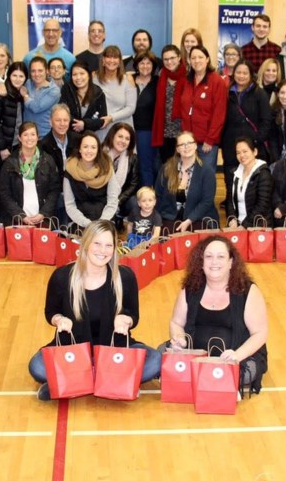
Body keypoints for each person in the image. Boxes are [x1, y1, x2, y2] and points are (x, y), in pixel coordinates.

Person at [29, 219, 161, 401]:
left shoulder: (125, 277)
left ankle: (71, 383)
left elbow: (134, 315)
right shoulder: (62, 277)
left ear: (115, 248)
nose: (103, 251)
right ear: (86, 244)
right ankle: (114, 382)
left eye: (108, 245)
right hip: (72, 351)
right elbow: (50, 312)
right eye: (97, 243)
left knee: (155, 360)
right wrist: (59, 320)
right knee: (37, 366)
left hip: (114, 350)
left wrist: (126, 320)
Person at [168, 235, 268, 395]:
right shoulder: (190, 288)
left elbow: (260, 333)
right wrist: (179, 339)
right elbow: (176, 323)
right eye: (208, 257)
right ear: (201, 262)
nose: (214, 262)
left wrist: (237, 355)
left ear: (231, 262)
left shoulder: (248, 291)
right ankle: (214, 380)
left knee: (247, 372)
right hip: (197, 355)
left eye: (221, 257)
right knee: (162, 353)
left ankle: (202, 378)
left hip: (236, 357)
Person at [222, 60, 273, 196]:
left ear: (251, 74)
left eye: (245, 73)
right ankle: (232, 216)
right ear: (234, 73)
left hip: (253, 147)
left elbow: (266, 120)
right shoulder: (227, 93)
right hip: (231, 147)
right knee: (231, 185)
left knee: (254, 188)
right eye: (238, 72)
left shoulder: (259, 93)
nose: (241, 76)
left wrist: (256, 141)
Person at [173, 46, 227, 170]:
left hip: (206, 143)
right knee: (187, 176)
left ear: (207, 59)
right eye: (193, 58)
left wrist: (210, 139)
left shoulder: (217, 81)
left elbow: (219, 113)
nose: (197, 60)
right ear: (189, 61)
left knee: (205, 178)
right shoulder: (186, 81)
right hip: (188, 142)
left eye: (200, 57)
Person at [0, 122, 62, 226]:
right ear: (19, 138)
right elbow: (4, 193)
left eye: (33, 134)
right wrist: (21, 215)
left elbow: (54, 190)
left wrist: (43, 213)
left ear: (38, 137)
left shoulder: (48, 160)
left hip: (42, 220)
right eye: (25, 134)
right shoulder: (9, 163)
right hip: (16, 220)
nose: (29, 138)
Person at [155, 131, 218, 230]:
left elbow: (207, 201)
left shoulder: (207, 171)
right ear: (177, 149)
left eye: (189, 143)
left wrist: (189, 220)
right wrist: (156, 221)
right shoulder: (166, 168)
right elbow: (158, 195)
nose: (186, 147)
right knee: (166, 239)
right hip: (170, 216)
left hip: (198, 217)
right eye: (182, 144)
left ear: (196, 145)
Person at [63, 132, 119, 227]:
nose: (89, 151)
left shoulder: (107, 168)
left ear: (98, 150)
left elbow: (112, 202)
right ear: (79, 149)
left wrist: (100, 223)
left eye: (93, 147)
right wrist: (87, 224)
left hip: (105, 221)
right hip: (79, 222)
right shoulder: (70, 168)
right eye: (85, 147)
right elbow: (69, 205)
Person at [226, 138, 274, 228]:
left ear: (255, 152)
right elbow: (229, 200)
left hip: (258, 225)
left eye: (245, 151)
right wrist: (232, 219)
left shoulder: (263, 174)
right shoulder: (234, 173)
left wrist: (244, 225)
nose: (242, 155)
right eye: (238, 153)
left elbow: (262, 205)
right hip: (237, 225)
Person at [0, 61, 28, 161]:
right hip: (2, 147)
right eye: (14, 75)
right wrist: (2, 147)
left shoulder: (21, 93)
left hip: (17, 143)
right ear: (9, 75)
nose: (17, 79)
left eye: (21, 76)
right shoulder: (1, 94)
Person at [93, 45, 137, 142]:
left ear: (120, 61)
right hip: (102, 130)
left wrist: (111, 118)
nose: (111, 60)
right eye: (108, 57)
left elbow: (131, 108)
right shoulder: (94, 78)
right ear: (103, 60)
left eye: (115, 57)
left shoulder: (128, 79)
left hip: (123, 131)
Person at [152, 45, 186, 163]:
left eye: (172, 58)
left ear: (179, 57)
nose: (169, 62)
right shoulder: (160, 76)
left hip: (182, 131)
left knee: (183, 167)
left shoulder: (188, 76)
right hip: (164, 131)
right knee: (167, 167)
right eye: (166, 59)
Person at [132, 51, 160, 187]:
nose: (145, 66)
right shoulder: (128, 79)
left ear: (153, 65)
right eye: (141, 62)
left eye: (148, 63)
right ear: (136, 65)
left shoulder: (158, 82)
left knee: (146, 166)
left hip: (147, 131)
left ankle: (148, 199)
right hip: (128, 129)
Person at [103, 122, 141, 222]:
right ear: (112, 136)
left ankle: (132, 231)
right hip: (101, 197)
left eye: (127, 139)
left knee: (134, 202)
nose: (123, 141)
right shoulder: (101, 154)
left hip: (121, 199)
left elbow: (134, 185)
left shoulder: (133, 158)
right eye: (120, 136)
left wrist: (118, 201)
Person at [61, 60, 106, 138]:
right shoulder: (66, 89)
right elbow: (62, 111)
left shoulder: (99, 93)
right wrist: (77, 124)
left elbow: (102, 120)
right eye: (74, 74)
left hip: (91, 138)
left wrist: (84, 124)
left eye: (82, 73)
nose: (78, 78)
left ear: (89, 75)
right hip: (69, 136)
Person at [22, 56, 61, 138]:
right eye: (33, 71)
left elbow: (36, 107)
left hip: (44, 136)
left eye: (40, 70)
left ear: (47, 71)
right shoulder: (28, 83)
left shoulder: (54, 90)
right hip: (26, 134)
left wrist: (25, 96)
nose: (36, 74)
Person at [40, 103, 80, 173]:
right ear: (50, 122)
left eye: (65, 120)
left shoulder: (78, 140)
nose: (62, 124)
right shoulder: (44, 146)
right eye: (58, 120)